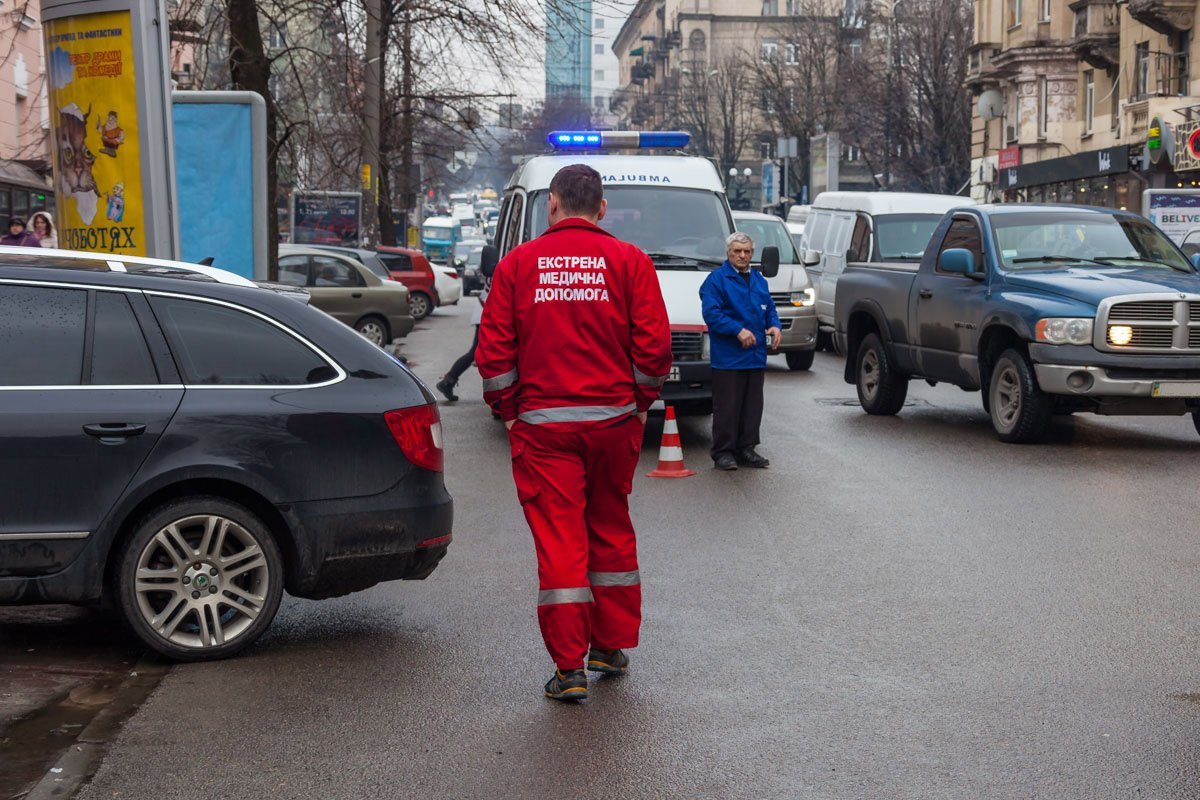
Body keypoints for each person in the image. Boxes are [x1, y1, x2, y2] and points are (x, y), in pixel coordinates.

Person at [476, 164, 672, 703]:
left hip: (543, 429)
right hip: (612, 425)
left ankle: (569, 670)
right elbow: (655, 350)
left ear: (553, 205)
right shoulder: (630, 262)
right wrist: (637, 405)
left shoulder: (519, 265)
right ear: (602, 208)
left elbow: (493, 355)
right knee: (609, 528)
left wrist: (511, 412)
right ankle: (608, 647)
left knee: (561, 540)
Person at [699, 231, 782, 471]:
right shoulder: (717, 280)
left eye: (747, 251)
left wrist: (774, 325)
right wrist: (737, 330)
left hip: (755, 356)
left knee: (752, 406)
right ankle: (723, 452)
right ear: (728, 253)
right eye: (737, 251)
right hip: (729, 358)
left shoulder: (758, 280)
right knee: (727, 407)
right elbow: (712, 314)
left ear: (752, 254)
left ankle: (746, 448)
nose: (742, 256)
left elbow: (769, 307)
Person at [435, 278, 488, 402]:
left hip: (490, 311)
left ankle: (448, 381)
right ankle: (448, 381)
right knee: (475, 352)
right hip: (489, 312)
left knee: (475, 352)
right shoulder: (500, 264)